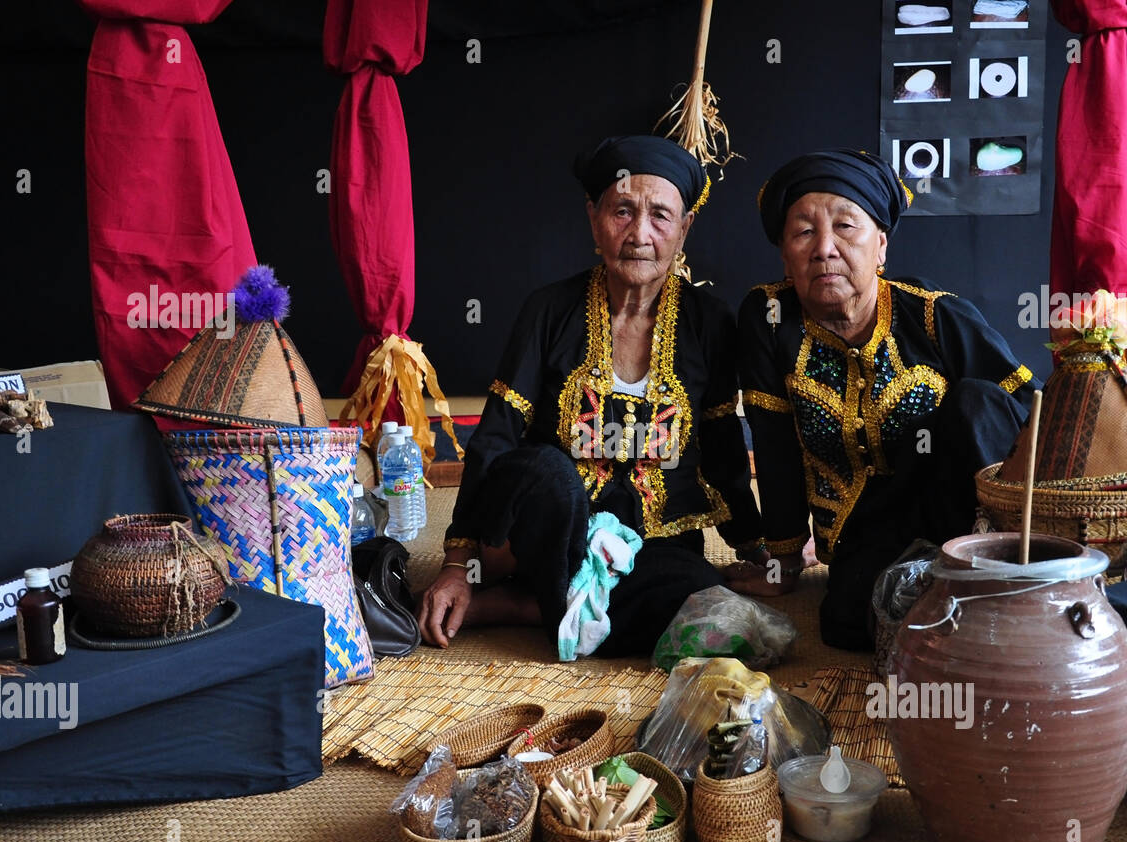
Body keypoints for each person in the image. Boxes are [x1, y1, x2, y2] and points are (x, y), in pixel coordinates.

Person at [418, 135, 762, 654]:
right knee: (546, 472)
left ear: (685, 228)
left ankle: (525, 607)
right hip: (555, 533)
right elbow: (495, 438)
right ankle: (564, 600)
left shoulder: (709, 323)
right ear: (593, 216)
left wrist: (759, 546)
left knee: (703, 602)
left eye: (661, 216)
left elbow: (721, 450)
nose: (639, 234)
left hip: (655, 540)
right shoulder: (549, 310)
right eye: (622, 210)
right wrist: (456, 565)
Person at [728, 149, 1037, 648]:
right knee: (847, 621)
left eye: (846, 226)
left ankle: (1006, 573)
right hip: (864, 527)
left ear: (881, 246)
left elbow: (1029, 412)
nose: (824, 248)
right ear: (785, 256)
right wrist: (784, 558)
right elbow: (774, 444)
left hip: (960, 516)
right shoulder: (768, 319)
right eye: (803, 232)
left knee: (975, 402)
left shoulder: (937, 316)